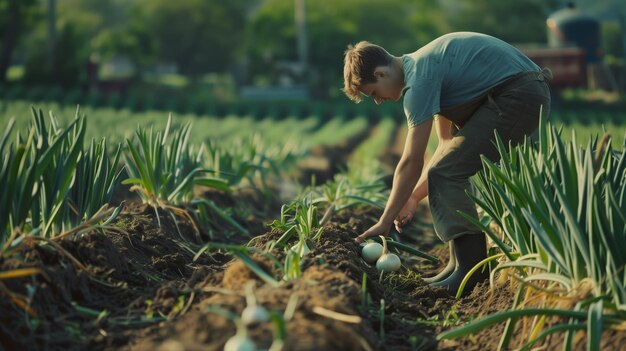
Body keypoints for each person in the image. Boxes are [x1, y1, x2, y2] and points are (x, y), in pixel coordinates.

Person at [343, 32, 551, 296]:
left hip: (517, 94)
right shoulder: (424, 67)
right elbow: (444, 146)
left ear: (381, 73)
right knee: (448, 167)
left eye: (373, 92)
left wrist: (384, 220)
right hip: (518, 90)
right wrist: (413, 197)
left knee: (447, 172)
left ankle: (471, 271)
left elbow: (411, 161)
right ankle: (458, 265)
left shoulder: (418, 83)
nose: (378, 100)